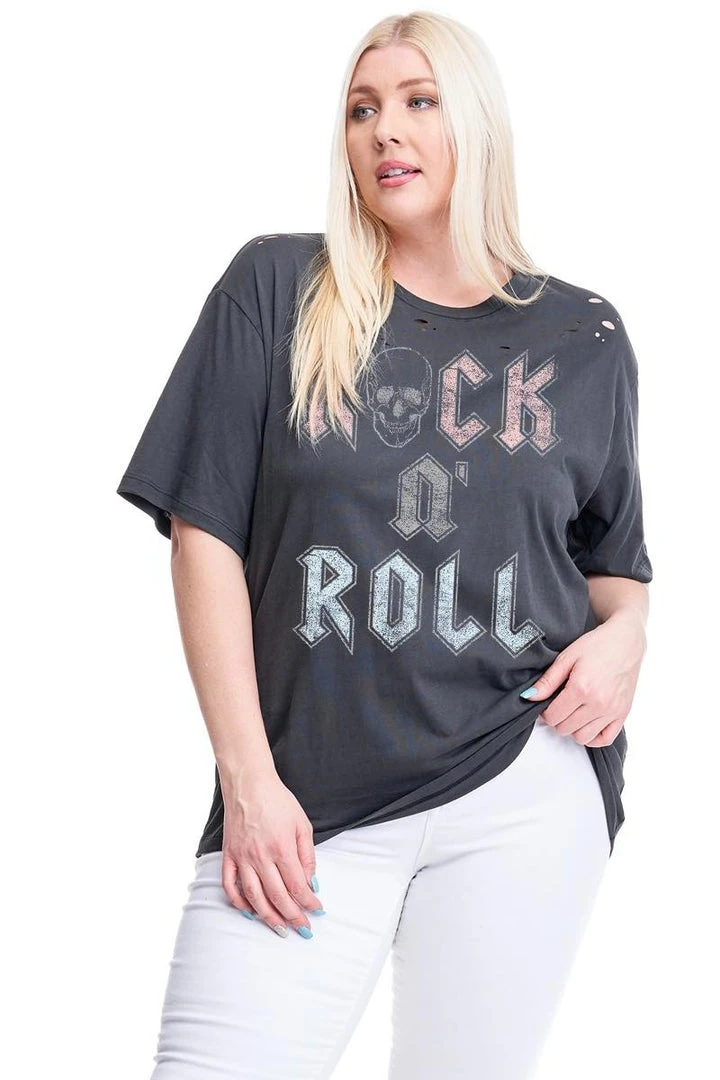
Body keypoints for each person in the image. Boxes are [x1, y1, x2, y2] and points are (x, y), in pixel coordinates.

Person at [116, 11, 653, 1079]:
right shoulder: (277, 289)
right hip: (302, 804)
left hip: (520, 785)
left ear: (478, 124)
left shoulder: (584, 337)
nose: (383, 130)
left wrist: (630, 635)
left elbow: (615, 565)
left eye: (419, 101)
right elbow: (203, 531)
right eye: (362, 109)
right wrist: (249, 781)